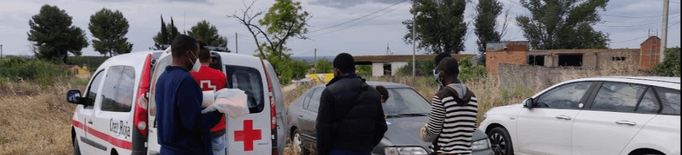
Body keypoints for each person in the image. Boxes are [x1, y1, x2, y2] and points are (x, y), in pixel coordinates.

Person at [155, 35, 223, 155]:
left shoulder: (162, 78)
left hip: (167, 149)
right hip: (187, 150)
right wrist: (219, 109)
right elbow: (193, 122)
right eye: (196, 56)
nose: (197, 60)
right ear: (189, 54)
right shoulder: (185, 80)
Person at [316, 53, 388, 155]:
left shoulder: (330, 92)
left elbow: (323, 128)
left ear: (337, 70)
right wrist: (368, 147)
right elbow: (381, 127)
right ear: (354, 69)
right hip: (364, 151)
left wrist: (323, 151)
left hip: (337, 151)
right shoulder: (373, 93)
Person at [419, 56, 478, 155]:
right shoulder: (472, 97)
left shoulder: (441, 97)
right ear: (457, 72)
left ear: (441, 73)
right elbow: (473, 127)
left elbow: (432, 134)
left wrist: (423, 130)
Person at [190, 38, 228, 155]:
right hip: (217, 127)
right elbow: (225, 98)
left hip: (196, 129)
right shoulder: (221, 76)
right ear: (210, 60)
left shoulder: (189, 75)